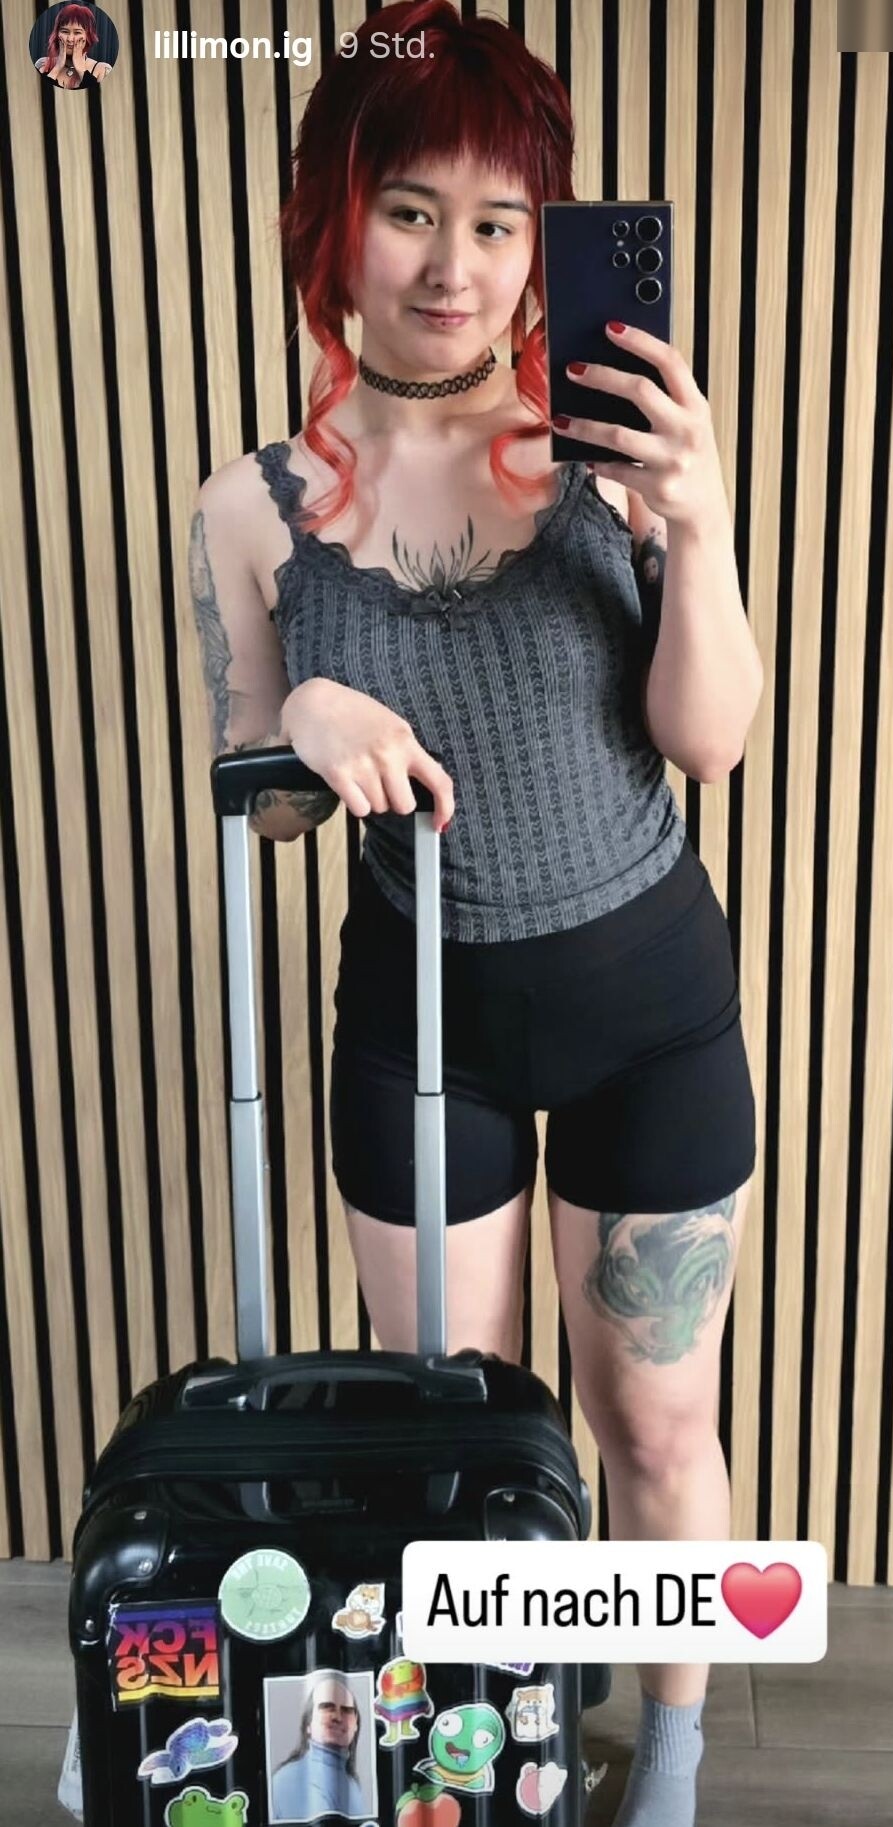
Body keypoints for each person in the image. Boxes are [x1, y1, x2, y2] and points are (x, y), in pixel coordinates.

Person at [189, 4, 763, 1824]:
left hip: (647, 1003)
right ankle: (492, 1747)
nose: (454, 263)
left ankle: (667, 1756)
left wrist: (699, 524)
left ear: (540, 243)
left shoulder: (606, 452)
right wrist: (303, 709)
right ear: (334, 221)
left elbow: (709, 740)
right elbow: (264, 803)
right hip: (416, 1027)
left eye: (499, 220)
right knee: (462, 1433)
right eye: (410, 209)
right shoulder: (251, 510)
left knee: (654, 1423)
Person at [270, 1672, 368, 1820]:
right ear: (308, 1724)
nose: (337, 1717)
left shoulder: (352, 1784)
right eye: (327, 1707)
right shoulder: (291, 1779)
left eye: (346, 1710)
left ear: (356, 1725)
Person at [36, 3, 113, 89]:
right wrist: (57, 67)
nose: (70, 39)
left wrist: (81, 70)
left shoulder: (102, 70)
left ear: (88, 36)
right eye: (65, 31)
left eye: (77, 32)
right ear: (57, 34)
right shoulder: (42, 65)